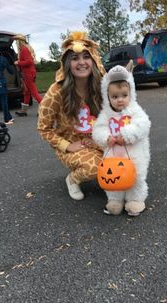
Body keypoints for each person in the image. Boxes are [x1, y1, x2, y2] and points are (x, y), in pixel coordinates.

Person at [37, 31, 106, 200]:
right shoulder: (57, 91)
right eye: (75, 58)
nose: (81, 62)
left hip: (98, 140)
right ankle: (73, 179)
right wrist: (66, 146)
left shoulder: (103, 86)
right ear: (68, 64)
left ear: (94, 60)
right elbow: (43, 128)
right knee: (95, 168)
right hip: (73, 144)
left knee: (126, 156)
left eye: (86, 57)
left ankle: (111, 182)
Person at [92, 64, 151, 216]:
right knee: (112, 177)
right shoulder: (106, 114)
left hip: (133, 153)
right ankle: (115, 200)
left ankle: (135, 200)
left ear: (131, 93)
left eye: (124, 95)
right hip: (113, 154)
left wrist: (126, 135)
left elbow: (144, 124)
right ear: (107, 97)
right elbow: (97, 129)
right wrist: (106, 137)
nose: (120, 100)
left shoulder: (135, 110)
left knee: (135, 176)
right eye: (115, 96)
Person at [12, 34, 43, 116]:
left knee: (34, 92)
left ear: (19, 41)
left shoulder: (24, 50)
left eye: (16, 41)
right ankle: (23, 111)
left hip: (28, 74)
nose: (16, 43)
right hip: (28, 74)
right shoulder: (24, 49)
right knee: (26, 92)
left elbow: (29, 62)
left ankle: (44, 109)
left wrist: (18, 62)